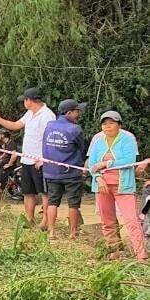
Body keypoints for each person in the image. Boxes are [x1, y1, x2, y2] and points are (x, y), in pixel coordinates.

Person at [0, 87, 55, 228]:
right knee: (28, 192)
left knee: (44, 192)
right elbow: (15, 125)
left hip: (40, 161)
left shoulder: (47, 115)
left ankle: (45, 221)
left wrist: (44, 158)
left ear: (29, 100)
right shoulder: (29, 114)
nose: (23, 103)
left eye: (24, 100)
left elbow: (50, 139)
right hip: (26, 159)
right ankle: (29, 220)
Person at [87, 111, 148, 261]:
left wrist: (107, 163)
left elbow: (128, 160)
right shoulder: (98, 140)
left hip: (123, 186)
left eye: (112, 123)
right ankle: (114, 251)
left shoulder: (127, 139)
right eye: (104, 123)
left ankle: (141, 255)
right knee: (107, 220)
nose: (107, 126)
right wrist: (98, 178)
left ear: (119, 125)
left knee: (132, 220)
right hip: (102, 186)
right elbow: (91, 164)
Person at [42, 99, 87, 239]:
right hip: (71, 173)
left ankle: (51, 232)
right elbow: (82, 148)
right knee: (73, 204)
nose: (78, 113)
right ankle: (73, 233)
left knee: (52, 202)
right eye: (76, 111)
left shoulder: (49, 125)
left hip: (51, 171)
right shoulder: (75, 129)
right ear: (69, 113)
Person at [0, 131, 19, 204]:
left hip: (8, 168)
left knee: (0, 182)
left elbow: (14, 155)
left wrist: (9, 164)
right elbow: (5, 153)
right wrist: (0, 157)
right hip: (3, 166)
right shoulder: (7, 144)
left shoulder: (12, 143)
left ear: (3, 135)